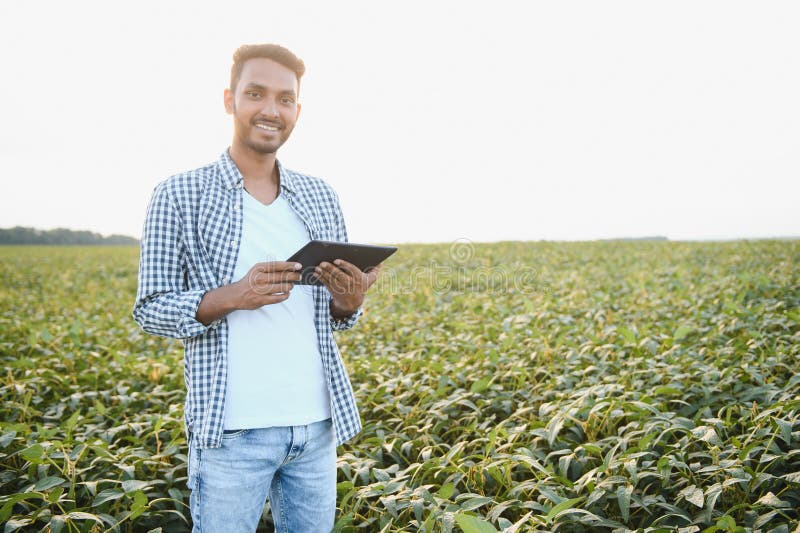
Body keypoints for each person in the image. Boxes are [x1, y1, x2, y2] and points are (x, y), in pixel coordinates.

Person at [132, 43, 380, 532]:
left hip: (315, 429)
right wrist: (234, 296)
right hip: (230, 433)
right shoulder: (179, 194)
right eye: (255, 93)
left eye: (285, 99)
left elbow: (337, 317)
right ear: (230, 100)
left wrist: (348, 302)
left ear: (297, 111)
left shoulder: (319, 195)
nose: (271, 109)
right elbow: (151, 308)